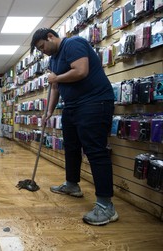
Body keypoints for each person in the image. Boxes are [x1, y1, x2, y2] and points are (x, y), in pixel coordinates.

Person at [30, 28, 118, 226]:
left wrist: (56, 78)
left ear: (50, 37)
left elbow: (81, 71)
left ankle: (106, 206)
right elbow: (55, 88)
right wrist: (49, 112)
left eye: (43, 46)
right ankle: (72, 185)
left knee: (95, 151)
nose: (43, 51)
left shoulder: (73, 44)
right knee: (70, 147)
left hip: (95, 102)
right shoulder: (53, 60)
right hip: (72, 106)